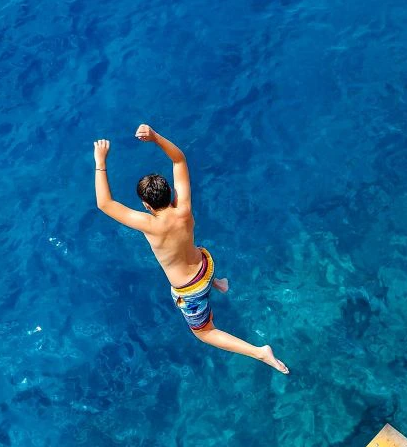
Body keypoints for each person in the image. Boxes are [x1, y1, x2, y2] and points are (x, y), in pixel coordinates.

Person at [93, 124, 289, 374]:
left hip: (191, 290)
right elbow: (179, 159)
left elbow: (104, 203)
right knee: (194, 254)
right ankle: (217, 283)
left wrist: (101, 161)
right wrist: (155, 137)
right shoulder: (183, 208)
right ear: (169, 194)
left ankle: (260, 352)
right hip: (206, 265)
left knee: (205, 333)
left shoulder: (149, 224)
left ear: (145, 205)